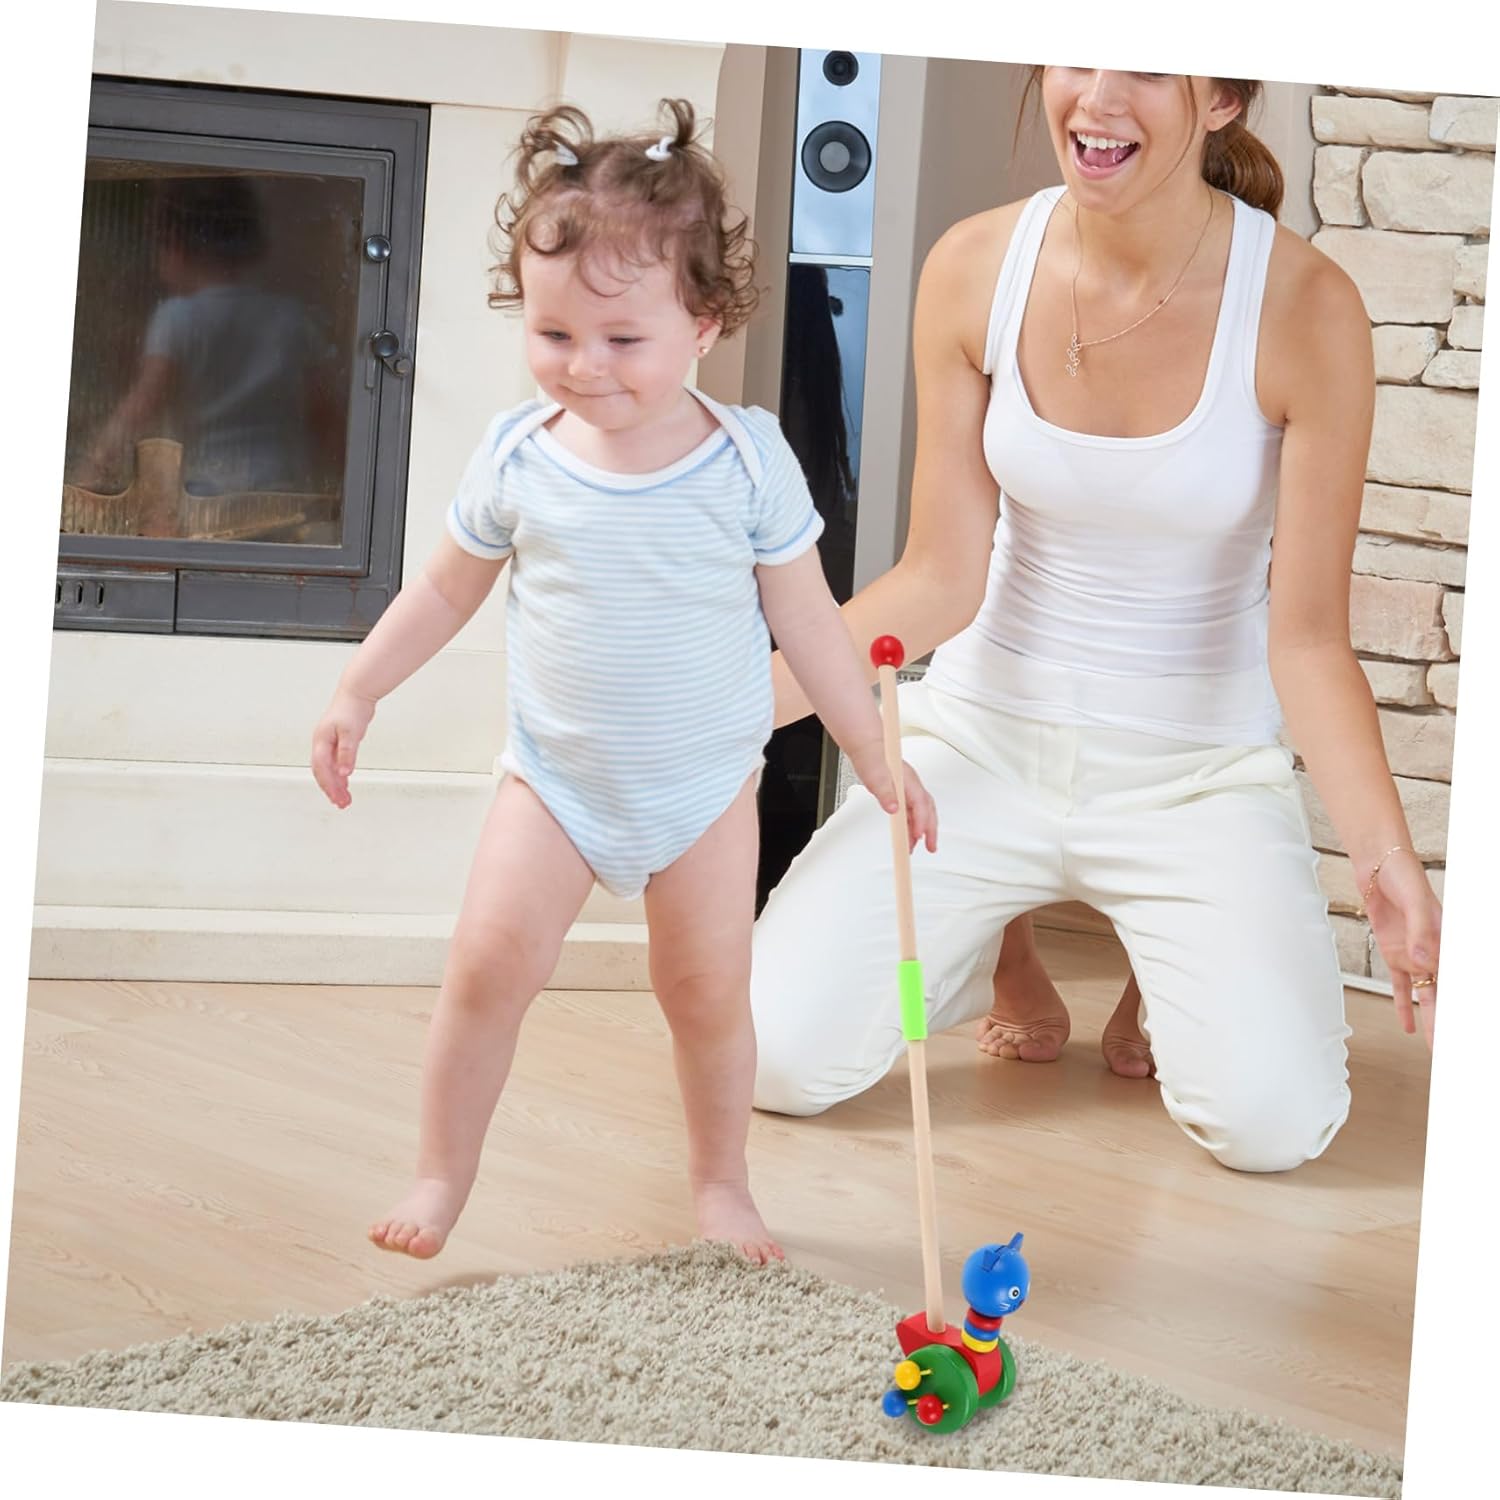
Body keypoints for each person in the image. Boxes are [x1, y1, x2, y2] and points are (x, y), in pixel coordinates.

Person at [750, 69, 1442, 1173]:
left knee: (1272, 1127)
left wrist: (1386, 860)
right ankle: (988, 948)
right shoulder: (976, 266)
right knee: (773, 1060)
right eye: (1077, 48)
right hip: (978, 750)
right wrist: (730, 712)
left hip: (1194, 776)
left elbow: (1308, 639)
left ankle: (1162, 968)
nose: (1098, 96)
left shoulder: (1305, 307)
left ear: (1222, 99)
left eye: (1147, 66)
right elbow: (936, 578)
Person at [310, 100, 937, 1264]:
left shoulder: (745, 460)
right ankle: (441, 1174)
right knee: (485, 967)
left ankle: (720, 1184)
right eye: (554, 333)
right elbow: (442, 590)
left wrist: (874, 755)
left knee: (706, 993)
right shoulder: (520, 456)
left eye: (620, 340)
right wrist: (360, 689)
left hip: (703, 789)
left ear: (702, 324)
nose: (583, 367)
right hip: (555, 783)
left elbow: (808, 622)